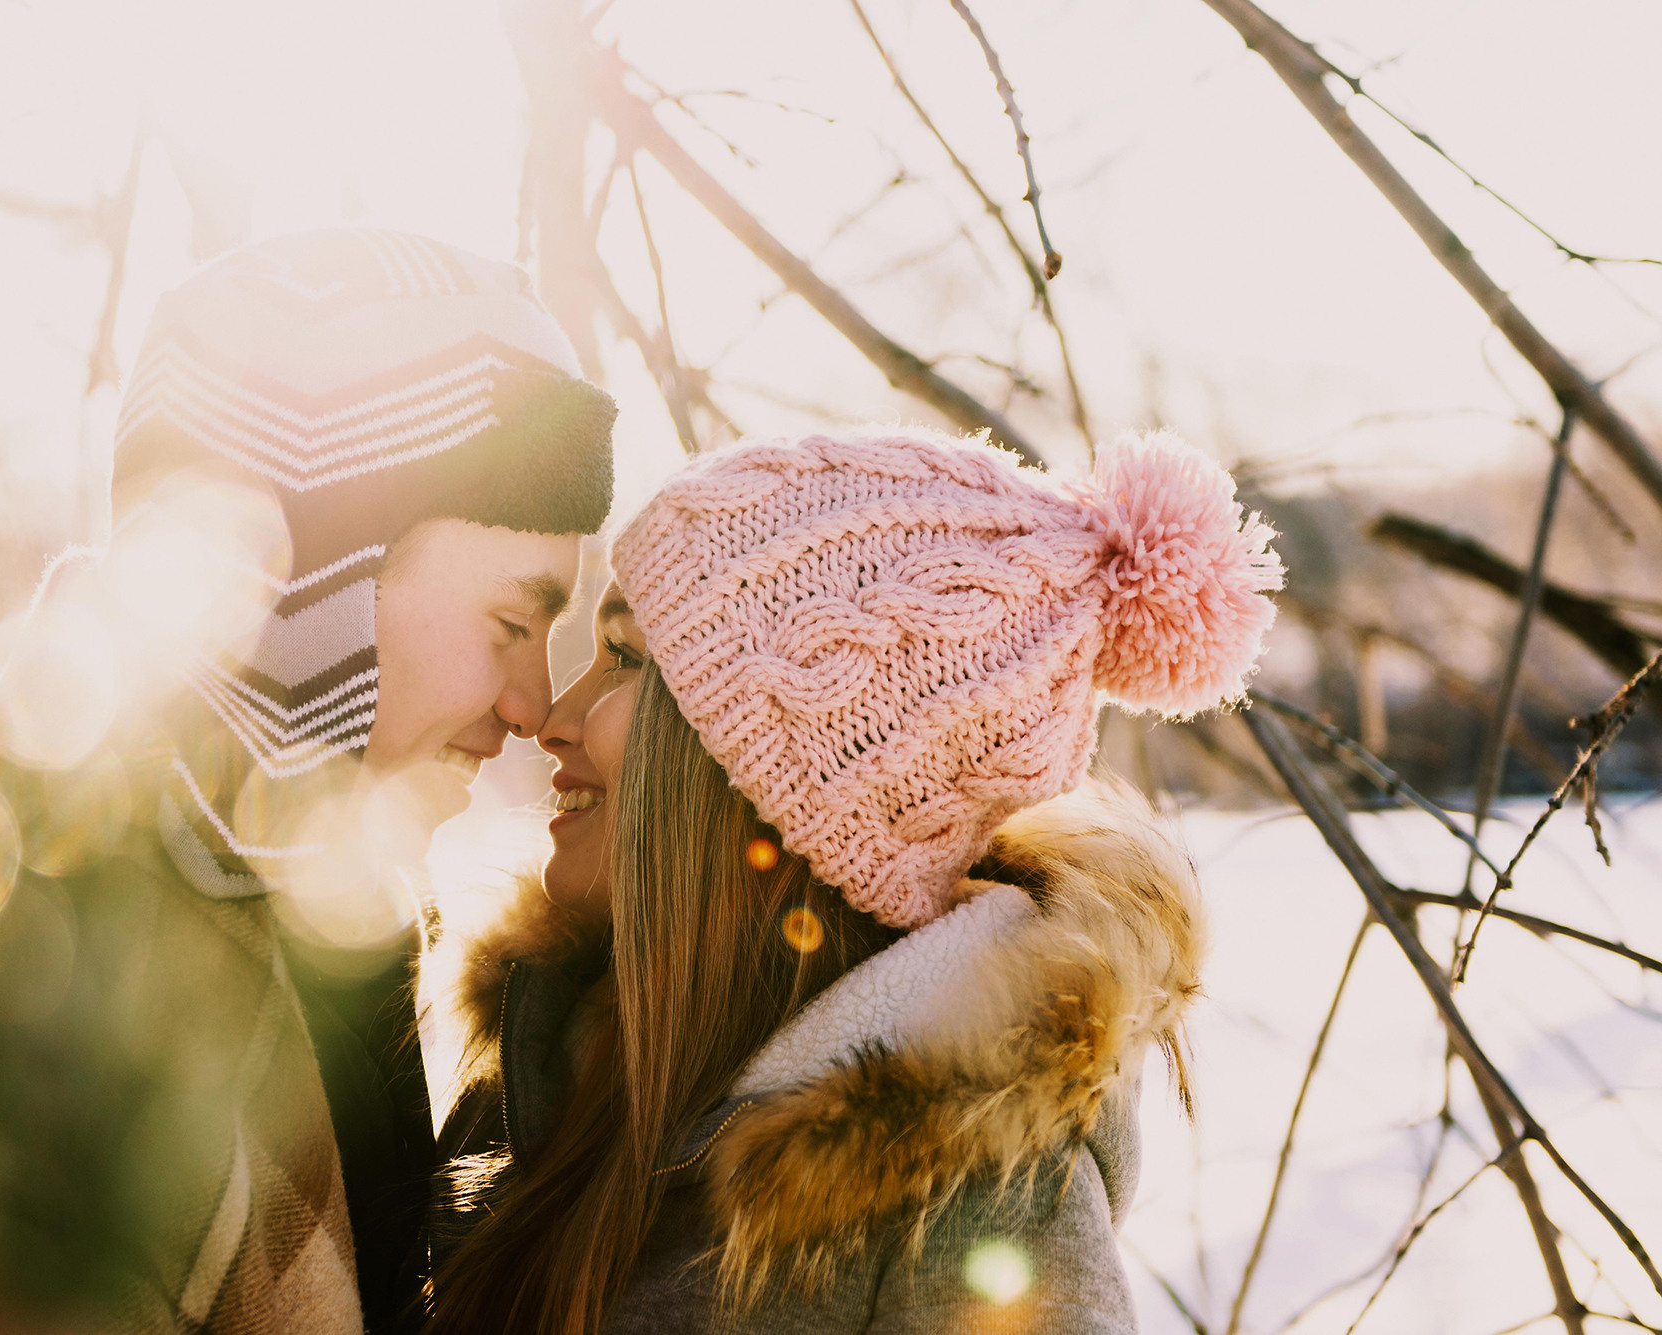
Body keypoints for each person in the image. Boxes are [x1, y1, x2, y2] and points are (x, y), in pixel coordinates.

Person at [0, 229, 615, 1335]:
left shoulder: (274, 898)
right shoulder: (25, 941)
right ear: (320, 578)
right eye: (511, 620)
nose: (533, 704)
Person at [424, 427, 1283, 1333]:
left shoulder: (974, 1212)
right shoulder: (543, 1064)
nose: (552, 718)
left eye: (627, 658)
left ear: (777, 780)